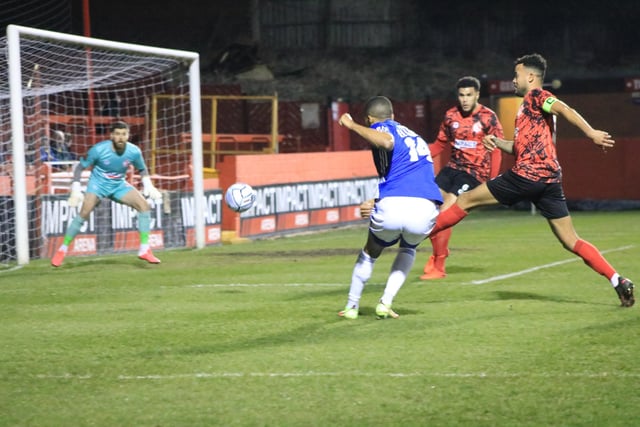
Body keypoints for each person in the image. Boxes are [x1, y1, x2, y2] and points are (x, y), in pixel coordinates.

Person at [428, 53, 634, 307]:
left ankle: (417, 231)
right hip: (549, 180)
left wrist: (590, 132)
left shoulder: (537, 96)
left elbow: (563, 108)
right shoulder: (527, 109)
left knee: (466, 199)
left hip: (528, 174)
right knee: (571, 240)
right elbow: (521, 147)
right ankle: (618, 280)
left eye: (516, 75)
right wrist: (497, 142)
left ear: (530, 76)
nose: (513, 80)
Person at [337, 96, 443, 320]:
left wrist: (351, 125)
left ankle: (351, 306)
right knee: (408, 249)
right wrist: (377, 201)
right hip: (425, 207)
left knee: (370, 252)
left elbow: (385, 141)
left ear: (369, 119)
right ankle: (385, 303)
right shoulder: (415, 137)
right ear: (394, 115)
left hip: (394, 205)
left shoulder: (383, 128)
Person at [420, 76, 504, 279]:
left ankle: (439, 265)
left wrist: (491, 181)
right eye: (461, 95)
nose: (465, 99)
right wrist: (417, 156)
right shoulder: (450, 116)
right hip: (452, 169)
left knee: (445, 211)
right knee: (427, 210)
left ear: (476, 95)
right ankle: (441, 251)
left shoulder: (488, 117)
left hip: (474, 172)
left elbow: (497, 150)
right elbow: (439, 145)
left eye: (469, 95)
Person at [51, 121, 163, 267]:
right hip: (97, 185)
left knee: (144, 206)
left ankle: (144, 249)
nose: (121, 138)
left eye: (124, 134)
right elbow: (79, 168)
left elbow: (142, 168)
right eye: (117, 134)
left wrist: (148, 185)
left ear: (128, 135)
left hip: (118, 185)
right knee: (84, 213)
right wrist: (76, 188)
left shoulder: (134, 151)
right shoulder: (98, 150)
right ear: (111, 135)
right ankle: (62, 249)